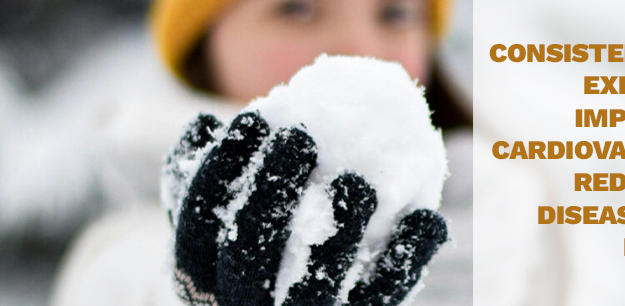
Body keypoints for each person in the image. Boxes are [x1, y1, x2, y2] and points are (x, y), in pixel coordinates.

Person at [49, 0, 475, 305]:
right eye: (296, 9)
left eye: (395, 13)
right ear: (204, 49)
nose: (359, 45)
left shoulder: (515, 199)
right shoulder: (121, 257)